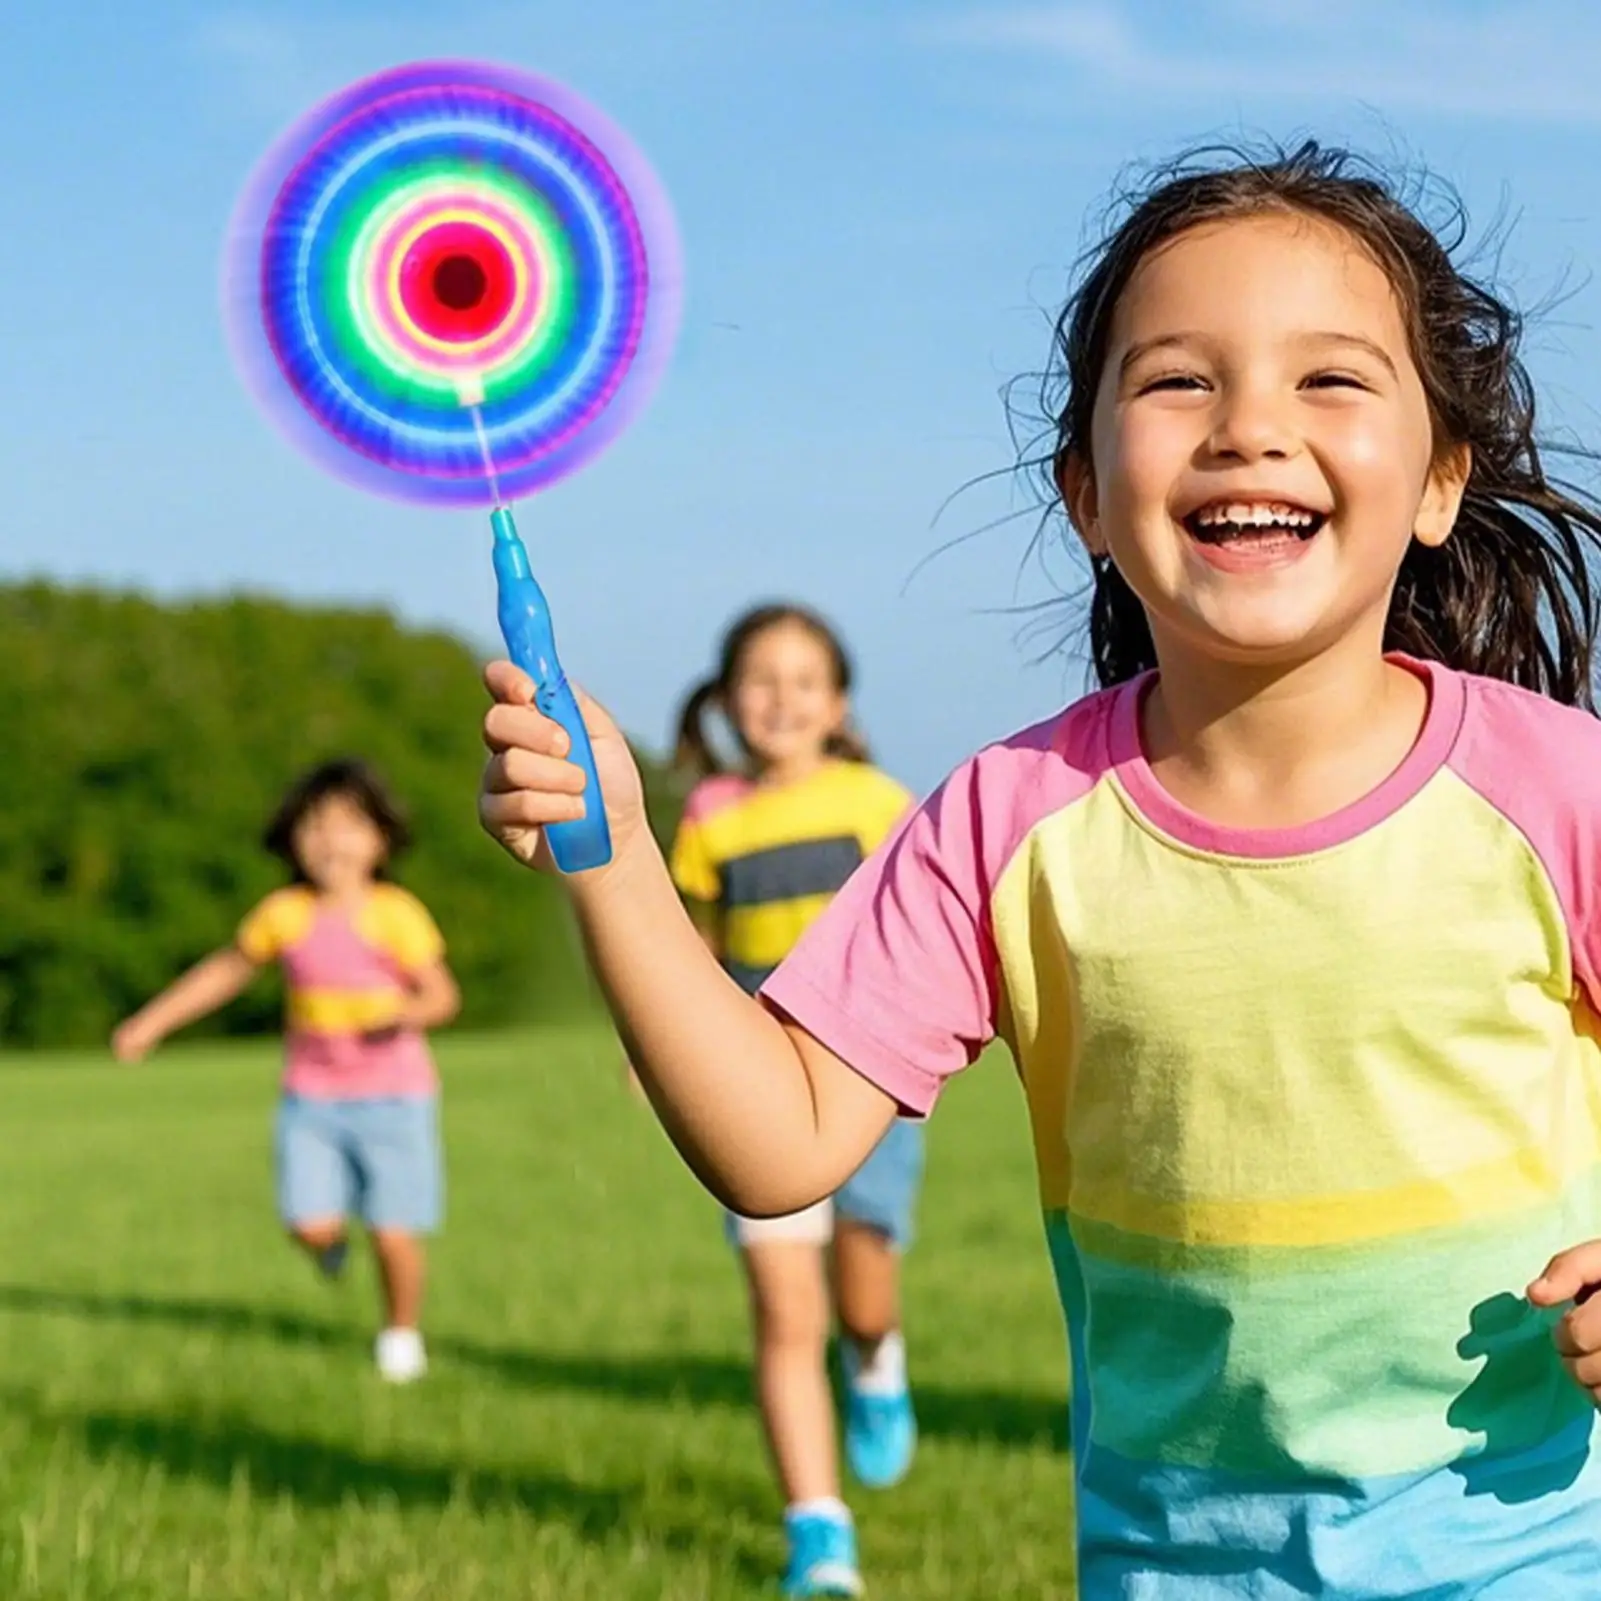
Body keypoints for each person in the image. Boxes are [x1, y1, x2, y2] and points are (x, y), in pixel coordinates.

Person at [477, 141, 1601, 1596]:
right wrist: (619, 856)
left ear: (1441, 478)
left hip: (1526, 1544)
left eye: (1328, 378)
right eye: (1177, 380)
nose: (1249, 425)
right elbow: (781, 1141)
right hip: (1168, 1557)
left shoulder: (1556, 784)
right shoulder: (1009, 819)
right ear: (1084, 493)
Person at [657, 603, 920, 1597]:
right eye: (758, 680)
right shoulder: (709, 814)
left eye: (802, 679)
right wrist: (665, 1052)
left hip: (866, 1077)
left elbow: (914, 925)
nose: (779, 698)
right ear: (726, 702)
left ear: (837, 703)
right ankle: (818, 1529)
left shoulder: (870, 799)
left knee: (860, 1292)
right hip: (753, 1079)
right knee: (781, 1309)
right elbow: (693, 944)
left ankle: (877, 1361)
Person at [113, 758, 459, 1385]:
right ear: (292, 839)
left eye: (350, 825)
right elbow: (226, 971)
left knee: (393, 1233)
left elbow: (443, 996)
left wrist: (402, 1013)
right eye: (315, 825)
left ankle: (401, 1335)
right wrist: (151, 1023)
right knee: (308, 1221)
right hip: (312, 1100)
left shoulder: (395, 914)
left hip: (394, 1100)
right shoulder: (284, 915)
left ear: (380, 839)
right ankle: (329, 1250)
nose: (331, 840)